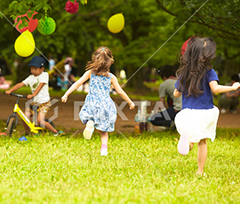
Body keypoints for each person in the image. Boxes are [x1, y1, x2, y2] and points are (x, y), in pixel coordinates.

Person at [173, 37, 240, 176]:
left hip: (187, 113)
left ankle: (187, 141)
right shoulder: (209, 72)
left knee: (192, 137)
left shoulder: (184, 73)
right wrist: (232, 87)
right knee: (202, 142)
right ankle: (200, 171)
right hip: (204, 113)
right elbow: (215, 89)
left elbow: (176, 94)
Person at [61, 46, 135, 156]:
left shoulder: (90, 73)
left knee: (89, 117)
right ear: (110, 61)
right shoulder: (111, 77)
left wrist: (66, 94)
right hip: (105, 104)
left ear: (95, 59)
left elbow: (77, 83)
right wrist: (130, 101)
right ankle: (103, 151)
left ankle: (90, 122)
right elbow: (119, 91)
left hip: (92, 102)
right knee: (103, 132)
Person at [5, 56, 61, 136]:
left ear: (42, 69)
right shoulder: (30, 77)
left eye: (35, 69)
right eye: (31, 69)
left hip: (44, 102)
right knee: (25, 117)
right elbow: (21, 84)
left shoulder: (44, 75)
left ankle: (55, 132)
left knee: (40, 121)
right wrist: (10, 90)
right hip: (35, 102)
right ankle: (27, 133)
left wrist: (33, 95)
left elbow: (40, 86)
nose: (33, 71)